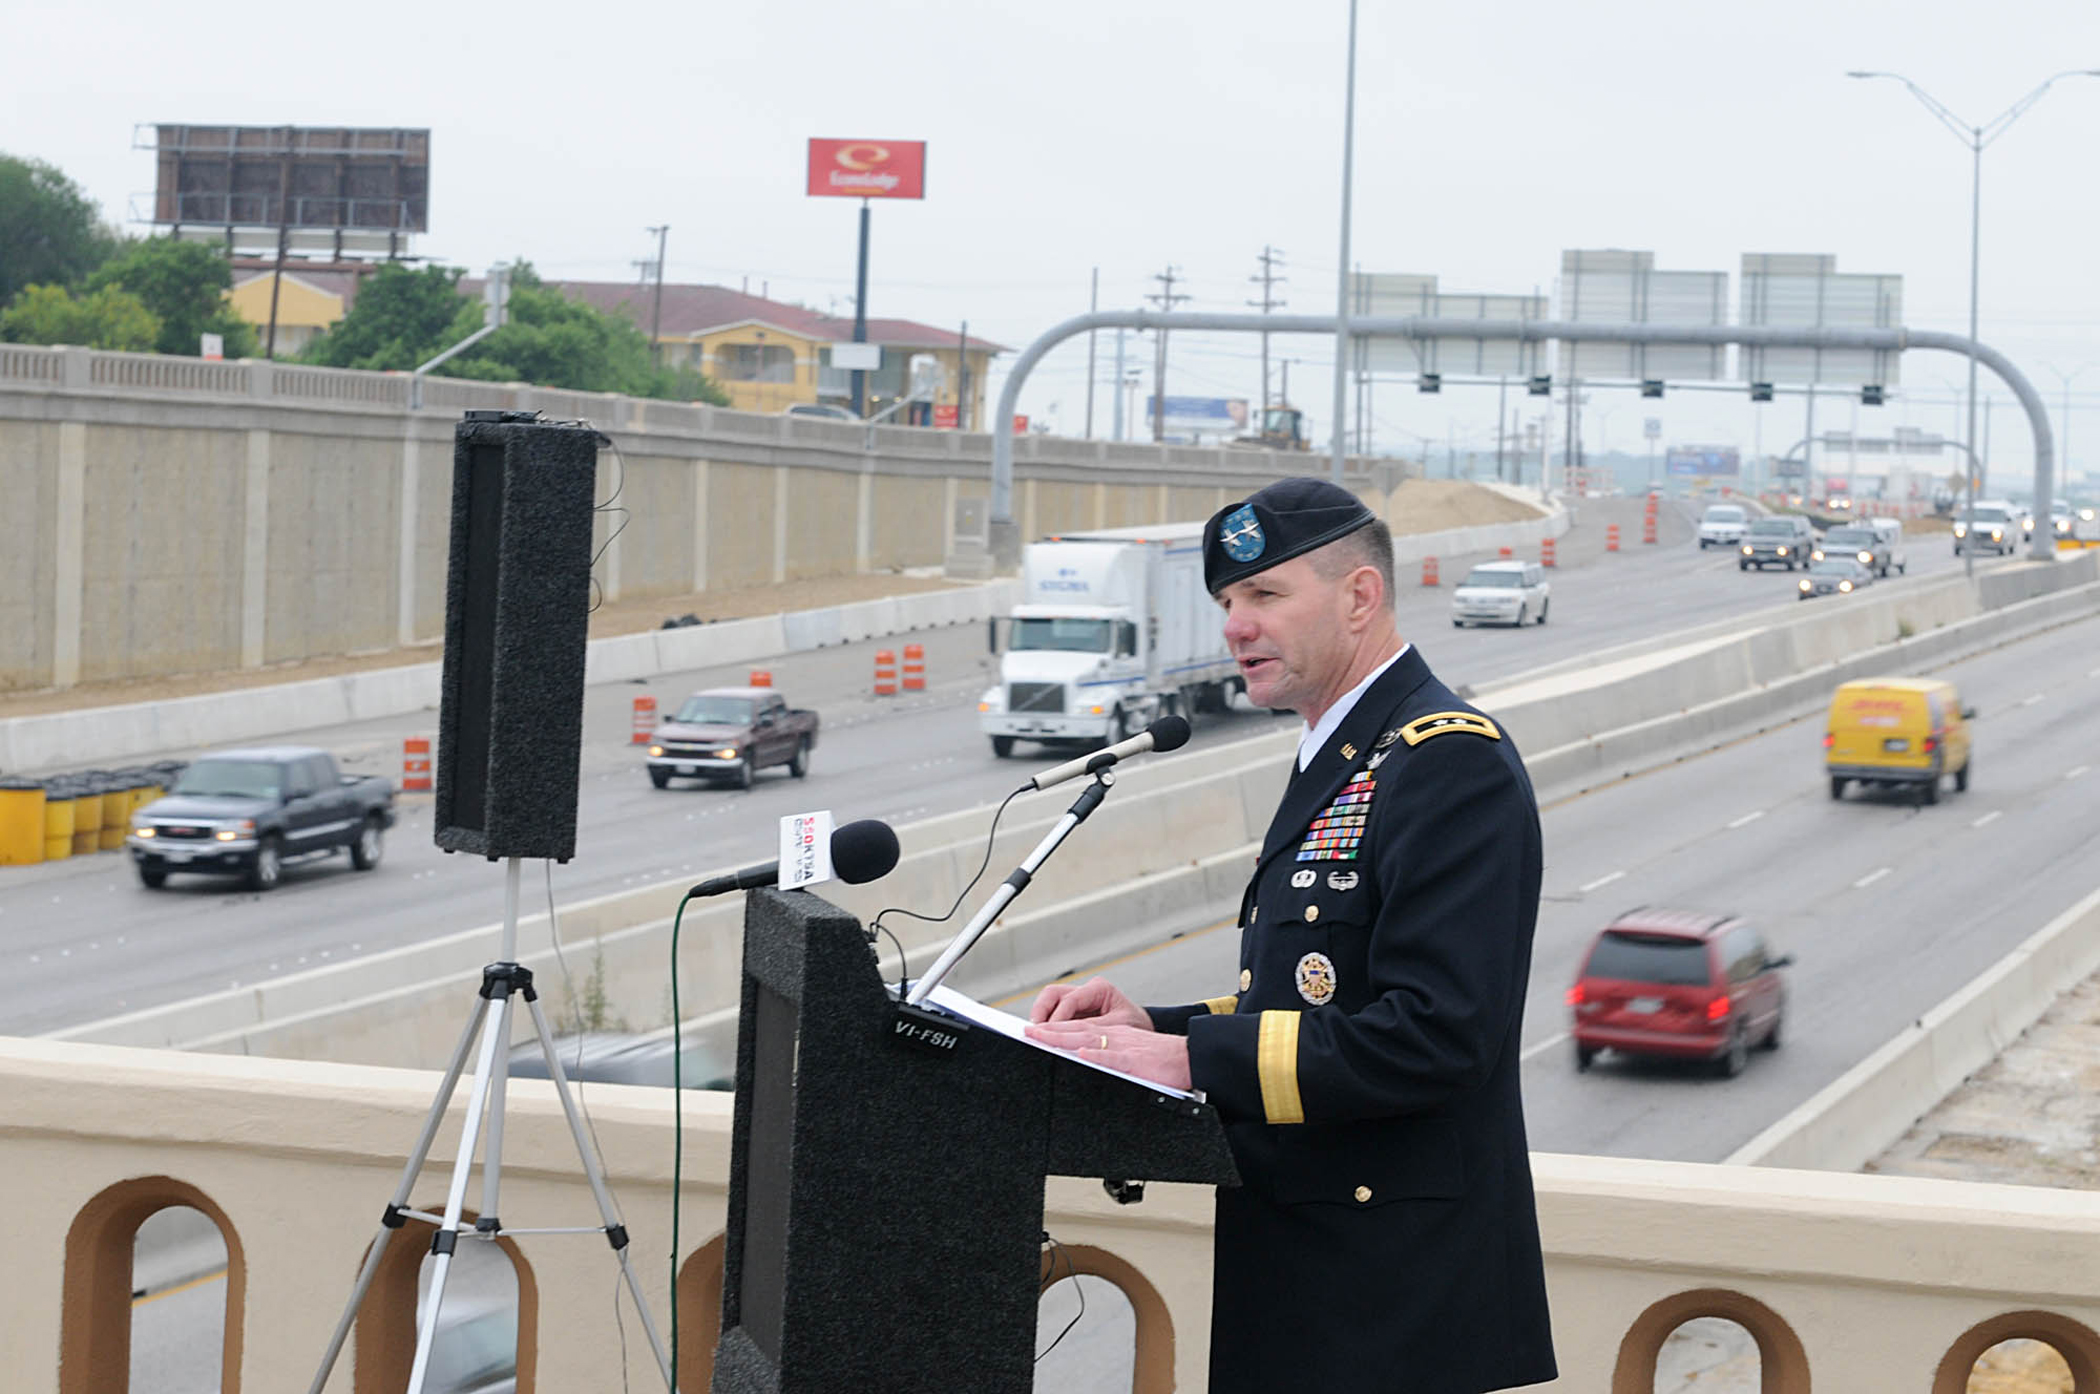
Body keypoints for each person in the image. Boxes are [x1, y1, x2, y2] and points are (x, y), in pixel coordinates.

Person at [1027, 476, 1556, 1394]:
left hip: (1392, 1306)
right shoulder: (1343, 753)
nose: (1236, 626)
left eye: (1265, 594)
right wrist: (1158, 1027)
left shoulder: (1445, 762)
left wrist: (1193, 1061)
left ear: (1360, 596)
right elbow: (1315, 993)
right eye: (1227, 603)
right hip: (1310, 1276)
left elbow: (1437, 1036)